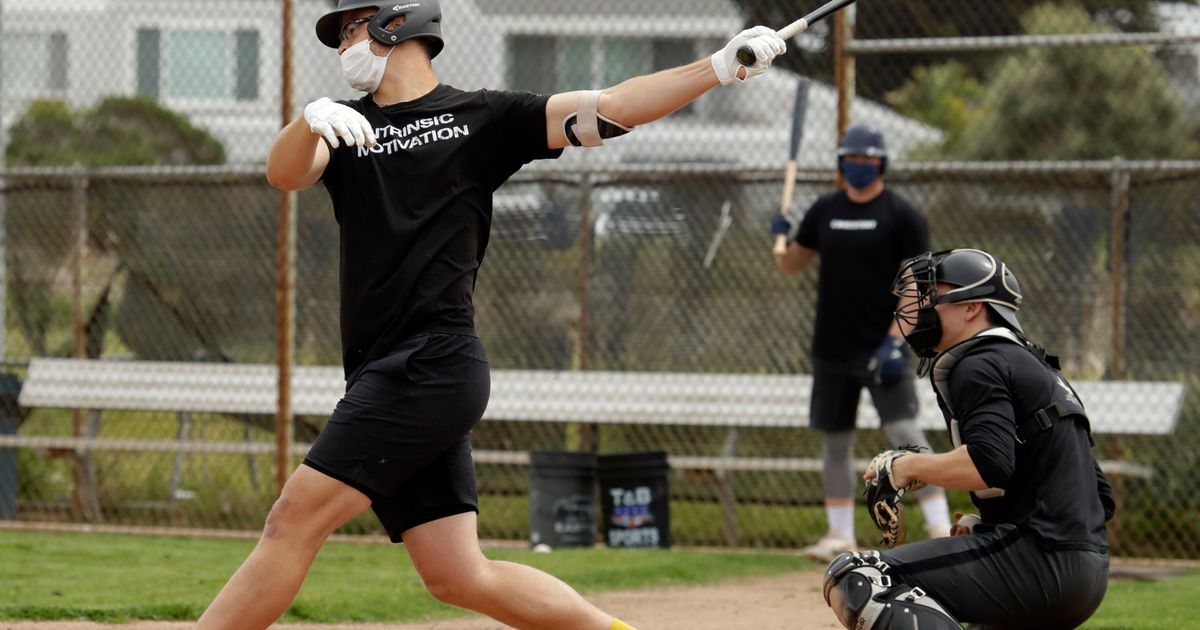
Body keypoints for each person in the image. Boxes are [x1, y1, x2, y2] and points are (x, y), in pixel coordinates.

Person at [195, 1, 786, 629]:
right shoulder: (346, 128)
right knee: (457, 574)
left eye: (351, 29)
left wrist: (720, 67)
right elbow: (284, 174)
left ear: (398, 24)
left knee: (291, 520)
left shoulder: (480, 116)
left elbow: (609, 108)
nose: (343, 46)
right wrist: (310, 121)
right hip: (386, 371)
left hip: (431, 365)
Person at [821, 248, 1115, 629]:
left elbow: (988, 462)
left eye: (933, 295)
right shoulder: (1029, 363)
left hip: (1041, 562)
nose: (920, 307)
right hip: (1083, 572)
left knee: (858, 575)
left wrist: (905, 466)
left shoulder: (980, 363)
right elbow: (1100, 496)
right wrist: (990, 528)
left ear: (972, 307)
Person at [770, 124, 952, 561]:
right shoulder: (825, 210)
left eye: (867, 160)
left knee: (905, 432)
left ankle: (941, 527)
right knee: (836, 440)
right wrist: (783, 236)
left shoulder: (901, 216)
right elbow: (792, 265)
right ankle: (838, 535)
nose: (859, 166)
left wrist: (895, 342)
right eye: (851, 159)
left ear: (881, 164)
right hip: (832, 347)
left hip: (882, 346)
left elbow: (918, 287)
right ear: (842, 163)